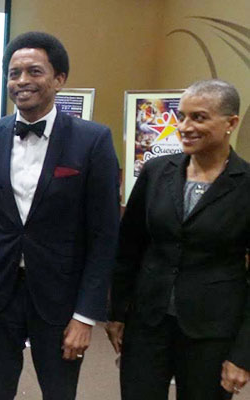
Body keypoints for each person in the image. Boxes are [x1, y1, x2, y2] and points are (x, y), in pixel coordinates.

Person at [0, 31, 120, 399]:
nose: (22, 81)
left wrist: (86, 315)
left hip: (61, 296)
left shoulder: (93, 140)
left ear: (59, 79)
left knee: (59, 391)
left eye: (34, 71)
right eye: (14, 73)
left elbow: (105, 235)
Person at [107, 79, 250, 400]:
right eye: (181, 116)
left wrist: (243, 353)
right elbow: (129, 247)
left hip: (212, 332)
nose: (184, 127)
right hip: (147, 323)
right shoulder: (157, 171)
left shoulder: (246, 185)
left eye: (198, 118)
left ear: (231, 123)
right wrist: (117, 312)